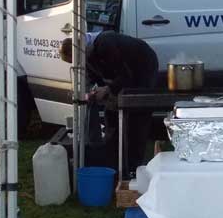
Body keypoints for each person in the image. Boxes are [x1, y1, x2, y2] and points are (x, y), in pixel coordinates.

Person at [60, 30, 158, 173]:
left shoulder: (105, 44)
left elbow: (125, 75)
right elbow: (92, 79)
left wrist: (107, 89)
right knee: (111, 115)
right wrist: (89, 93)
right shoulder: (85, 56)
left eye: (74, 61)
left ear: (78, 52)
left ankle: (134, 166)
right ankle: (115, 160)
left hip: (143, 67)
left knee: (137, 116)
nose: (78, 64)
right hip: (125, 75)